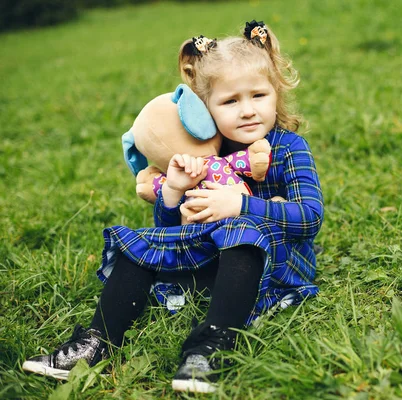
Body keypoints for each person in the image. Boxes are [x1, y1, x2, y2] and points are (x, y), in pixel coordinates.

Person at [22, 20, 324, 394]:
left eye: (258, 96)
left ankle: (210, 346)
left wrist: (240, 204)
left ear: (275, 93)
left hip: (271, 262)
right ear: (205, 107)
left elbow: (310, 217)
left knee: (239, 228)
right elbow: (173, 232)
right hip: (214, 263)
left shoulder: (289, 147)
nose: (247, 111)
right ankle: (96, 342)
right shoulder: (205, 152)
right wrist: (174, 191)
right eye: (230, 101)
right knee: (141, 247)